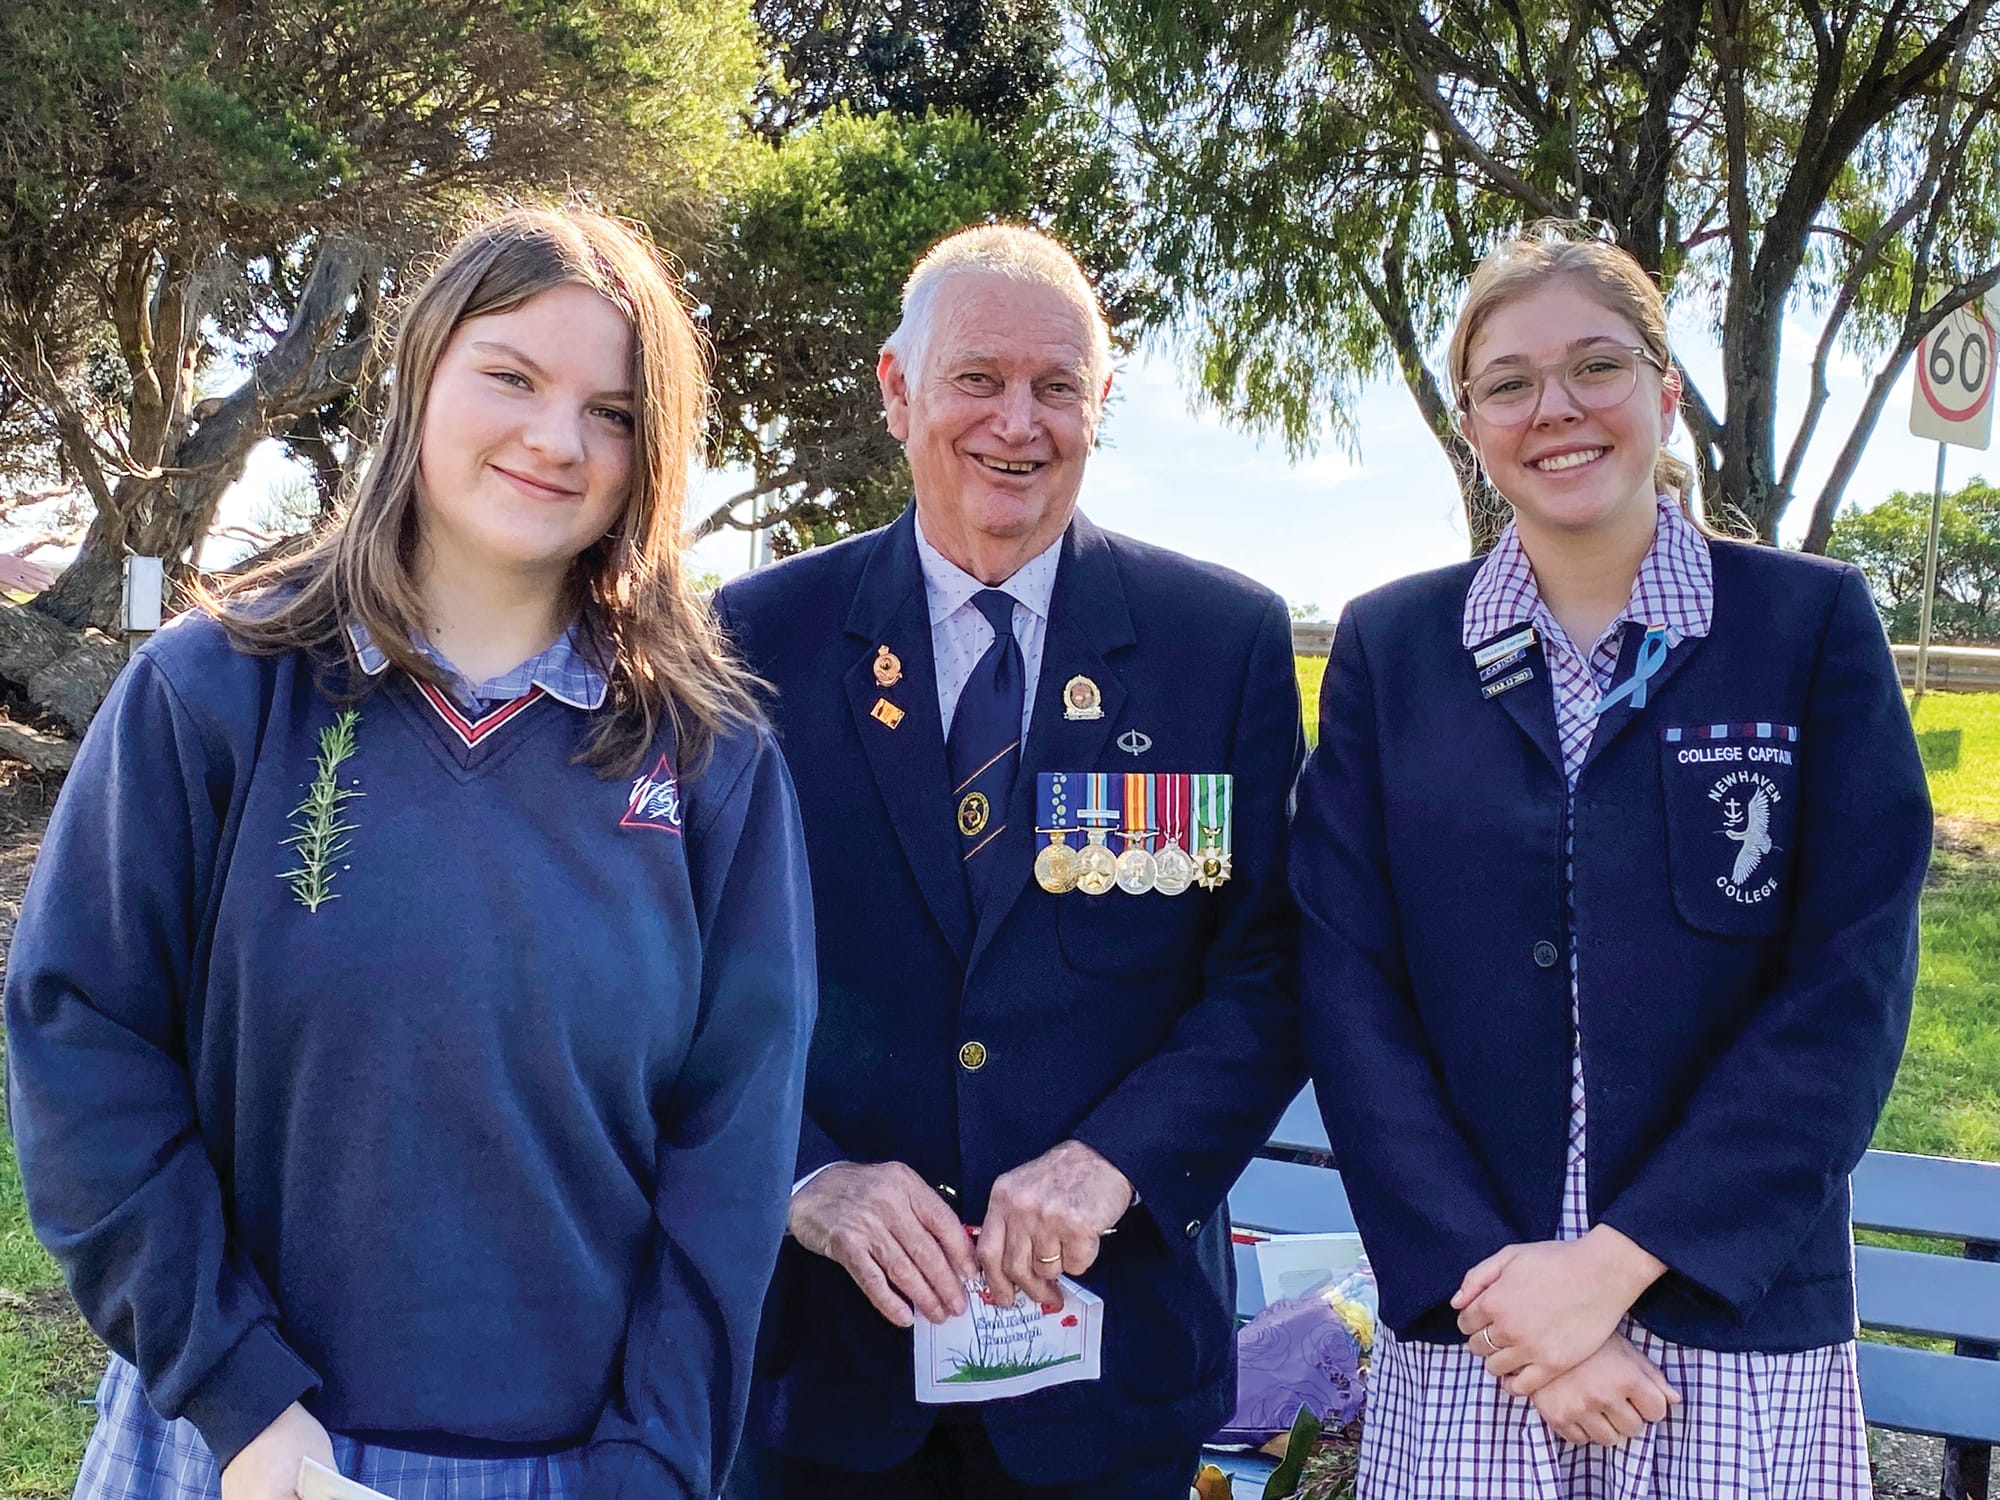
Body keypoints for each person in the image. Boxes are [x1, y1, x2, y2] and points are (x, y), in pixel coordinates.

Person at [4, 205, 816, 1500]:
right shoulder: (213, 692)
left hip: (570, 1475)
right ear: (421, 372)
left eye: (611, 412)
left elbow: (731, 1159)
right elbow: (82, 1042)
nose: (556, 439)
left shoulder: (712, 762)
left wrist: (652, 1464)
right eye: (512, 377)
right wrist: (241, 1398)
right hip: (239, 1451)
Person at [1290, 227, 1932, 1498]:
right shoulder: (1391, 651)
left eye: (1595, 365)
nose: (1555, 409)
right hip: (1479, 1316)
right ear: (1470, 425)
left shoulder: (1805, 628)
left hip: (1726, 1302)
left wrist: (1612, 1266)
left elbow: (1847, 988)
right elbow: (1347, 986)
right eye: (1508, 383)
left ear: (1663, 388)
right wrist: (1507, 1302)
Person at [713, 224, 1303, 1498]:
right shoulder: (755, 640)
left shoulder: (1219, 644)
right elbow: (685, 970)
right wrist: (803, 1173)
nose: (1016, 424)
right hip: (823, 1373)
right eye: (976, 379)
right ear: (896, 390)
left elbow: (1269, 968)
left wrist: (1116, 1163)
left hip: (1110, 1370)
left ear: (1100, 403)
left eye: (1056, 386)